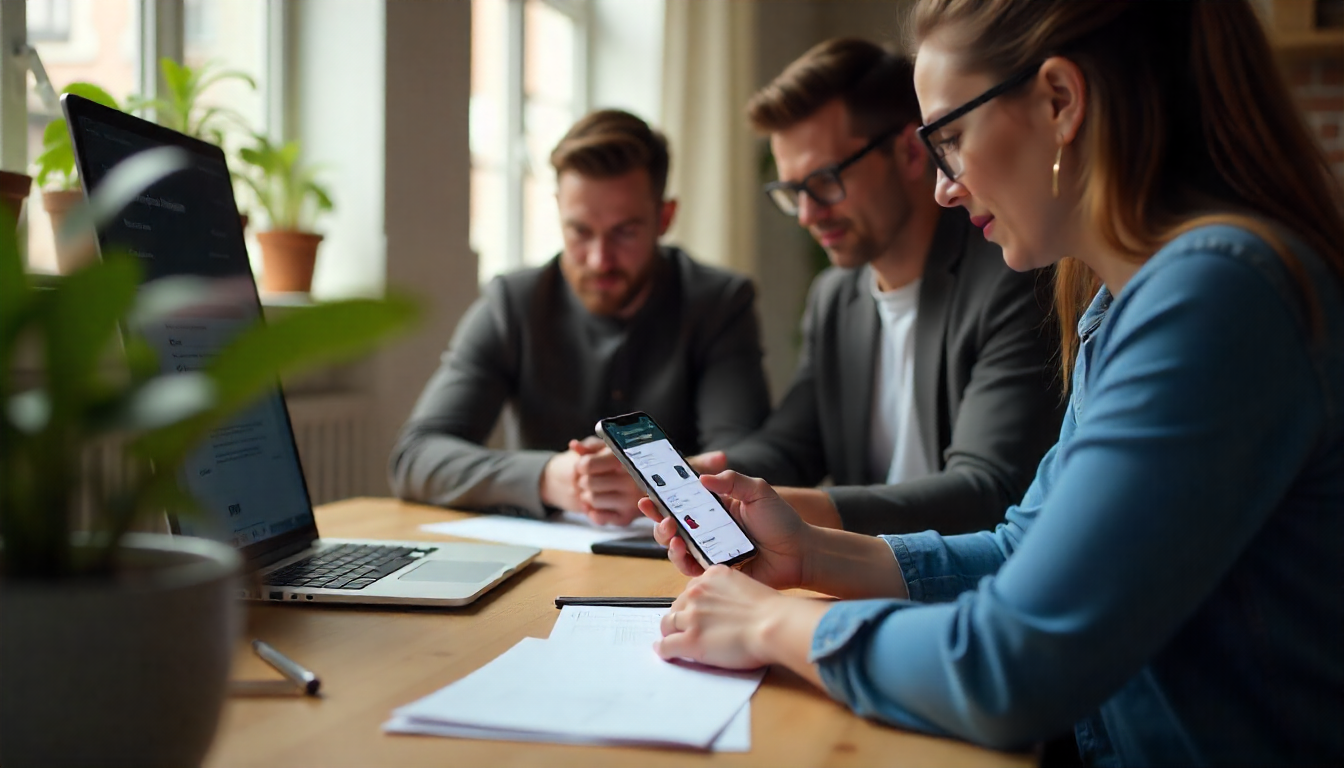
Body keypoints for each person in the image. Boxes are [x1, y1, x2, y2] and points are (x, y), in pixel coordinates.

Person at [640, 2, 1344, 765]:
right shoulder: (1123, 303)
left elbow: (1014, 664)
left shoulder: (1214, 298)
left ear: (1060, 102)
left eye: (949, 139)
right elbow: (1023, 550)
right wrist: (812, 555)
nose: (944, 186)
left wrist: (768, 625)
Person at [709, 38, 1063, 535]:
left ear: (909, 153)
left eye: (825, 180)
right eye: (793, 193)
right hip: (861, 584)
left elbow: (987, 489)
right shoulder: (835, 296)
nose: (808, 214)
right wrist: (702, 479)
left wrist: (790, 512)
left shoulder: (1011, 278)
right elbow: (792, 445)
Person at [389, 110, 770, 524]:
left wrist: (660, 483)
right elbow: (415, 457)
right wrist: (550, 477)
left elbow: (749, 463)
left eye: (624, 231)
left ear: (664, 218)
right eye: (580, 231)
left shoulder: (719, 303)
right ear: (558, 210)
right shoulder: (512, 304)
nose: (599, 259)